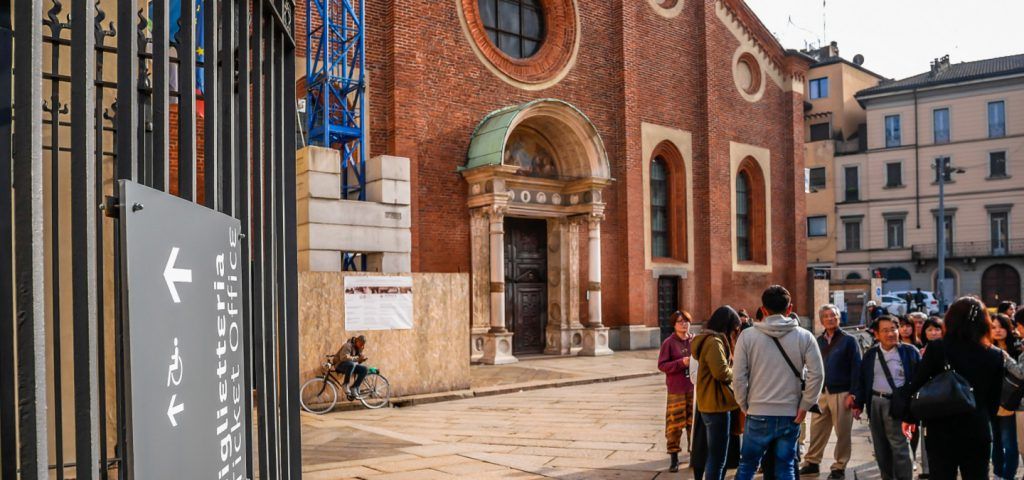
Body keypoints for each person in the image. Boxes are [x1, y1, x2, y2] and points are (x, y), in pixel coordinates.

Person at [903, 297, 1004, 479]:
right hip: (976, 427)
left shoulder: (937, 348)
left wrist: (908, 417)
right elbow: (994, 400)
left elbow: (917, 383)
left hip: (940, 426)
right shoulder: (995, 355)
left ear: (950, 320)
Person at [733, 285, 824, 480]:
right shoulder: (804, 336)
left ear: (763, 310)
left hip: (758, 411)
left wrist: (743, 404)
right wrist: (806, 405)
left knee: (747, 465)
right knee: (786, 466)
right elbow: (817, 375)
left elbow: (738, 376)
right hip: (791, 412)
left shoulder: (747, 336)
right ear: (789, 308)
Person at [851, 316, 920, 480]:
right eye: (885, 330)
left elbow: (919, 379)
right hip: (875, 402)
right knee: (880, 447)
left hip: (898, 404)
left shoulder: (910, 352)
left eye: (893, 329)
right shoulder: (870, 354)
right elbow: (863, 380)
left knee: (900, 446)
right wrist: (858, 403)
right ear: (876, 334)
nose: (891, 333)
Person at [800, 304, 862, 480]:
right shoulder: (817, 341)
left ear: (839, 318)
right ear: (821, 320)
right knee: (817, 430)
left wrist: (853, 394)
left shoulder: (849, 340)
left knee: (842, 433)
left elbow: (857, 368)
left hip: (842, 393)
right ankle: (812, 462)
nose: (830, 318)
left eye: (833, 315)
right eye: (826, 316)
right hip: (821, 393)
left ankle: (839, 466)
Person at [692, 306, 743, 480]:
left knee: (718, 456)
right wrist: (738, 371)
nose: (735, 333)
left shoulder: (710, 339)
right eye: (735, 329)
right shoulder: (714, 341)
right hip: (717, 405)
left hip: (711, 403)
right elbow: (721, 372)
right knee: (717, 457)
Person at [657, 311, 695, 473]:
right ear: (674, 325)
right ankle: (674, 458)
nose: (683, 324)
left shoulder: (695, 341)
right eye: (679, 322)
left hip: (694, 388)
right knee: (674, 424)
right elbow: (662, 365)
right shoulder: (669, 343)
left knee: (694, 424)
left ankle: (695, 455)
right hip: (676, 389)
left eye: (686, 321)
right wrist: (681, 363)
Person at [992, 313, 1020, 480]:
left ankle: (1008, 475)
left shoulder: (1017, 349)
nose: (998, 331)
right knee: (995, 441)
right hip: (992, 401)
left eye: (1002, 327)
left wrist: (1006, 357)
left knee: (1009, 442)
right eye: (994, 327)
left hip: (1011, 402)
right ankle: (997, 473)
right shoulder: (986, 348)